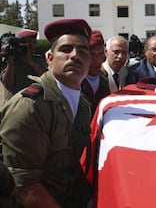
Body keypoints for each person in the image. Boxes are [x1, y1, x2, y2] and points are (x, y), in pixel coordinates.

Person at [0, 18, 93, 207]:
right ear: (49, 58)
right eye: (66, 49)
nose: (75, 56)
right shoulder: (30, 106)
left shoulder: (83, 105)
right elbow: (25, 187)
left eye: (83, 51)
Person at [0, 29, 47, 102]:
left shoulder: (38, 60)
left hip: (35, 105)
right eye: (28, 45)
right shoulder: (9, 59)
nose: (32, 48)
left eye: (33, 43)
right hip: (14, 105)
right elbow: (8, 84)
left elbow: (46, 80)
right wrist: (11, 62)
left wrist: (32, 63)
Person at [81, 30, 110, 114]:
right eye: (92, 54)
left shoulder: (104, 80)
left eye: (100, 54)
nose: (96, 60)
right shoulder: (74, 81)